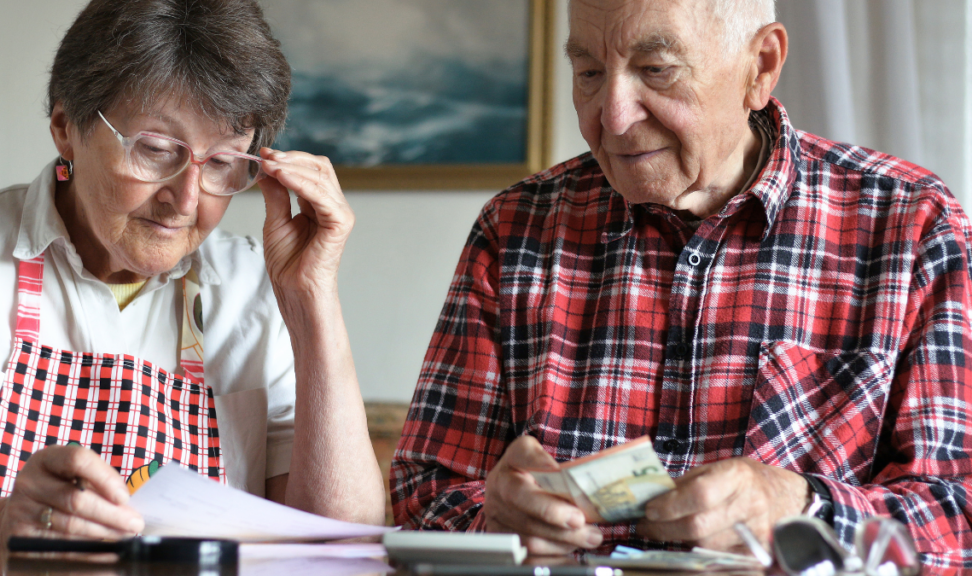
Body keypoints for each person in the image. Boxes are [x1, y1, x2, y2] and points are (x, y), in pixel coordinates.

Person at [391, 0, 972, 568]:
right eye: (589, 72)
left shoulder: (912, 225)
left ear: (760, 67)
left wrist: (800, 509)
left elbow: (958, 515)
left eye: (657, 70)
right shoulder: (516, 229)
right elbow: (422, 498)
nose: (612, 115)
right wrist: (493, 524)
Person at [0, 0, 383, 551]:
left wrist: (312, 299)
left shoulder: (253, 286)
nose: (185, 200)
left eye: (223, 163)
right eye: (155, 150)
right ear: (65, 128)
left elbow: (342, 544)